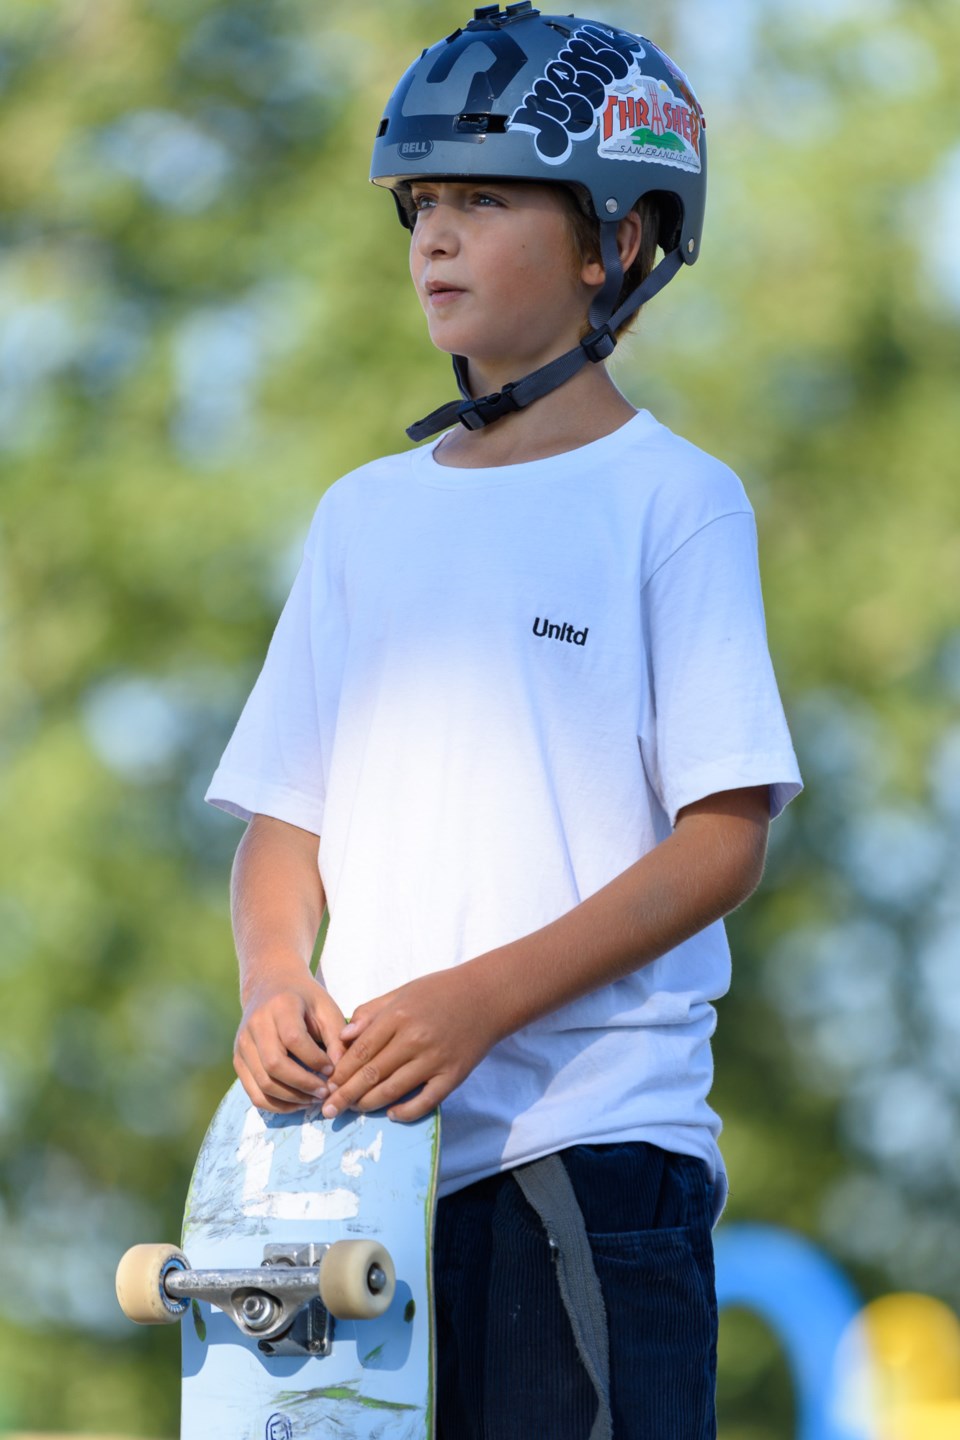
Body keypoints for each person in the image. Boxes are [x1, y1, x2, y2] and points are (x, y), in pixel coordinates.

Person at [205, 7, 802, 1436]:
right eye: (420, 205)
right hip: (352, 1183)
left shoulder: (675, 500)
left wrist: (483, 1002)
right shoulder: (363, 517)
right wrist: (273, 976)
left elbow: (723, 840)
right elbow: (286, 823)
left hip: (587, 1163)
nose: (435, 238)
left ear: (615, 241)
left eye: (484, 196)